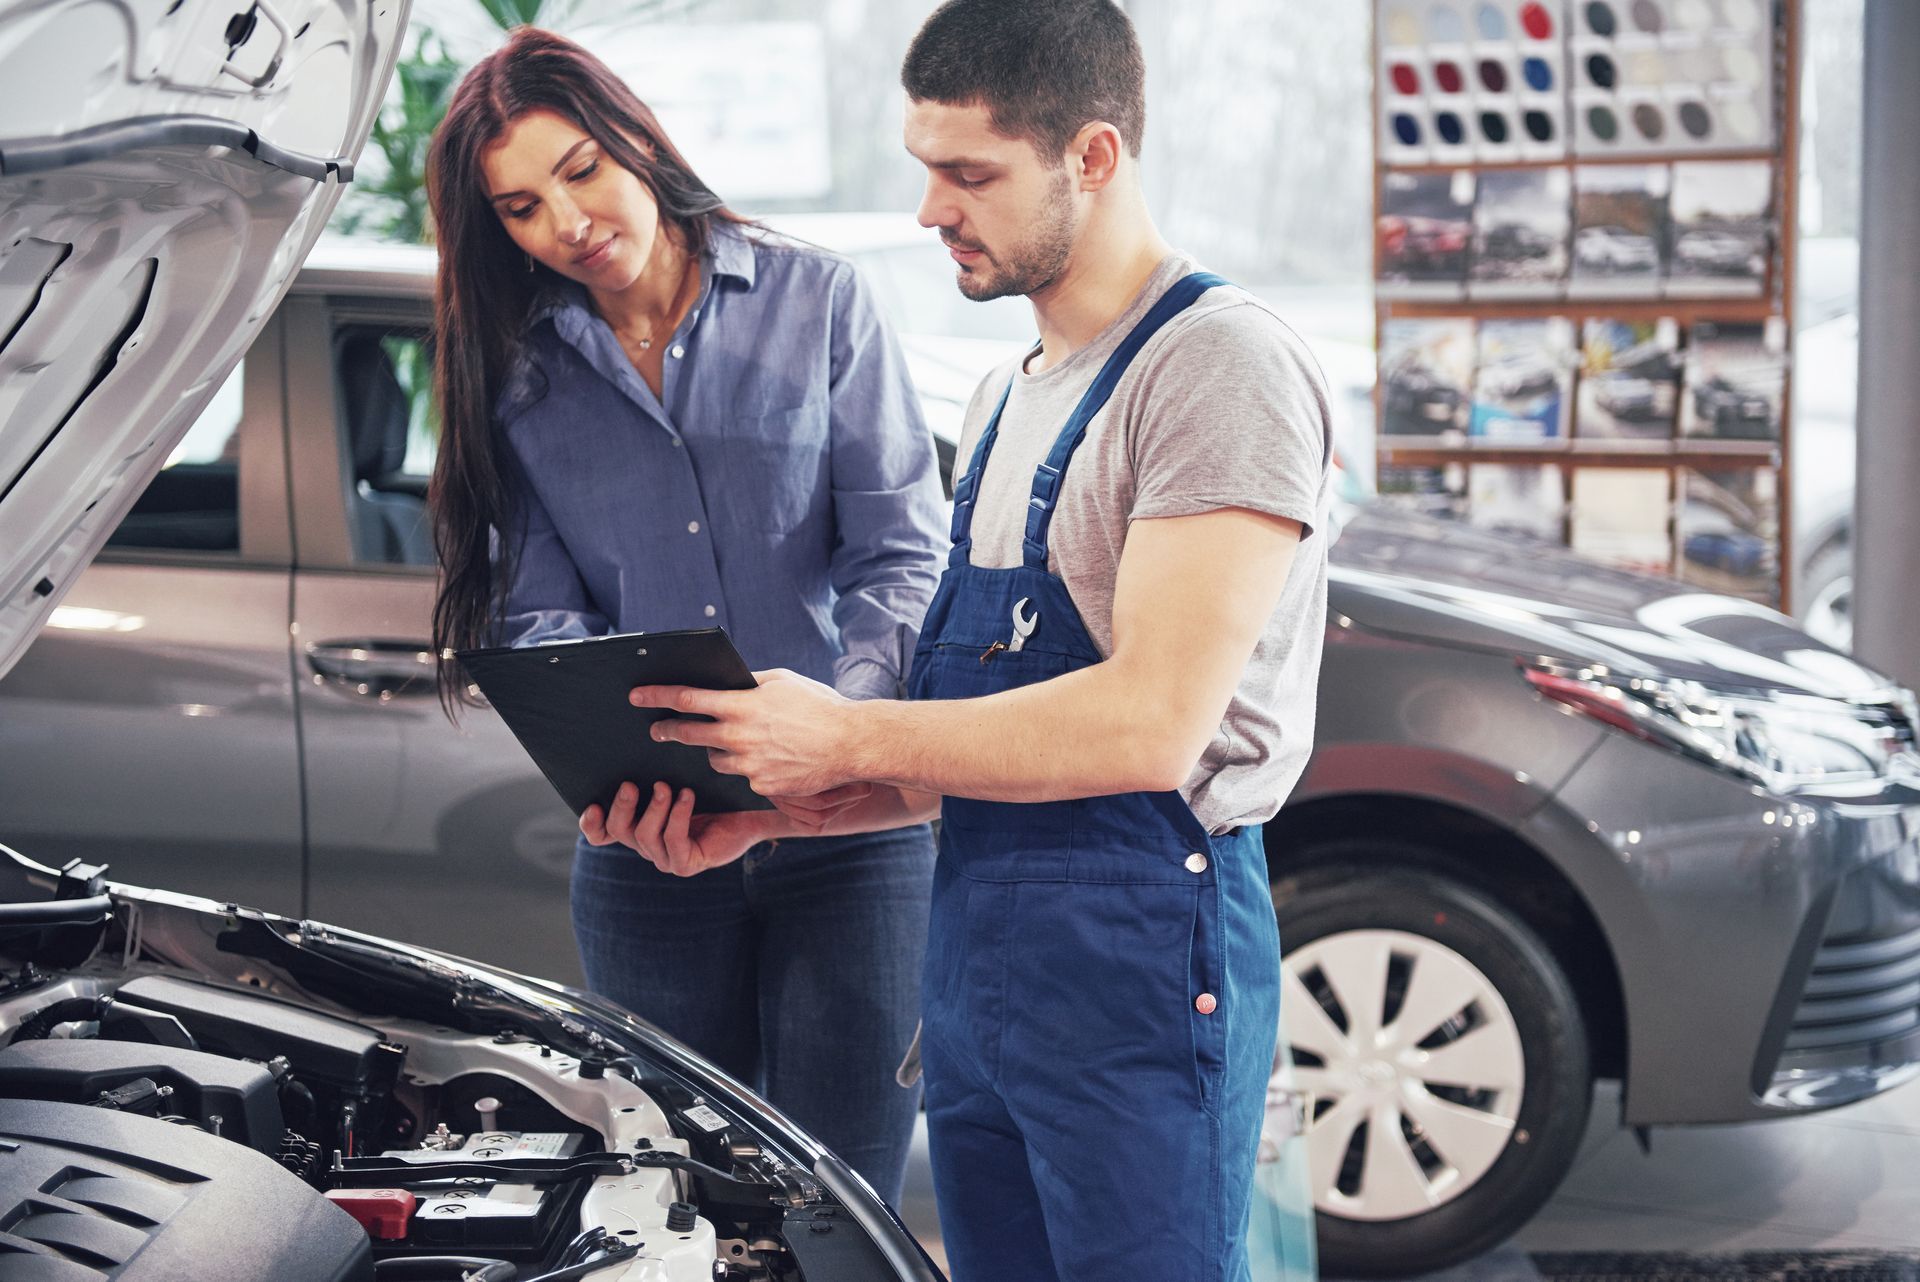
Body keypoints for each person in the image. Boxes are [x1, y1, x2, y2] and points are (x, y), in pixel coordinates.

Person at [601, 2, 1332, 1278]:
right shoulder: (1003, 398)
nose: (933, 207)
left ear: (1093, 158)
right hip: (983, 964)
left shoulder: (1215, 367)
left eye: (971, 173)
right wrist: (793, 808)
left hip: (1139, 973)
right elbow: (984, 735)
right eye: (925, 167)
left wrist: (841, 726)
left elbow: (1148, 720)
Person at [422, 27, 948, 1205]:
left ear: (635, 142)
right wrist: (613, 742)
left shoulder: (819, 301)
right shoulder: (517, 373)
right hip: (650, 840)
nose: (566, 221)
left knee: (837, 1203)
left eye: (579, 170)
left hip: (850, 836)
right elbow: (539, 606)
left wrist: (844, 735)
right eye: (517, 207)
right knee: (675, 1195)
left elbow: (902, 549)